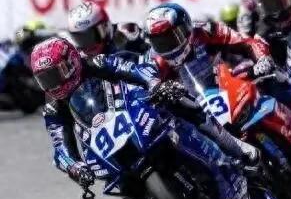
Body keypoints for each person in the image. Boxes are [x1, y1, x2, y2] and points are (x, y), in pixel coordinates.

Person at [31, 37, 259, 190]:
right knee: (115, 184)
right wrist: (74, 167)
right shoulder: (52, 105)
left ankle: (237, 148)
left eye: (56, 74)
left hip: (131, 105)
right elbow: (60, 147)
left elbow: (132, 69)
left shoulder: (95, 63)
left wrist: (154, 84)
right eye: (46, 79)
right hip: (103, 140)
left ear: (71, 62)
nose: (54, 83)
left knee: (178, 100)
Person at [143, 2, 291, 162]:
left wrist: (262, 58)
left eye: (173, 36)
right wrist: (160, 93)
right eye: (160, 42)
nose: (169, 45)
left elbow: (245, 42)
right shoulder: (154, 62)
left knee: (274, 78)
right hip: (200, 105)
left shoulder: (205, 31)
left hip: (229, 82)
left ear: (186, 27)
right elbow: (149, 88)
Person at [67, 1, 148, 57]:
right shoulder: (74, 54)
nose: (88, 46)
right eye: (80, 39)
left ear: (105, 27)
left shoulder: (128, 32)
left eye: (90, 36)